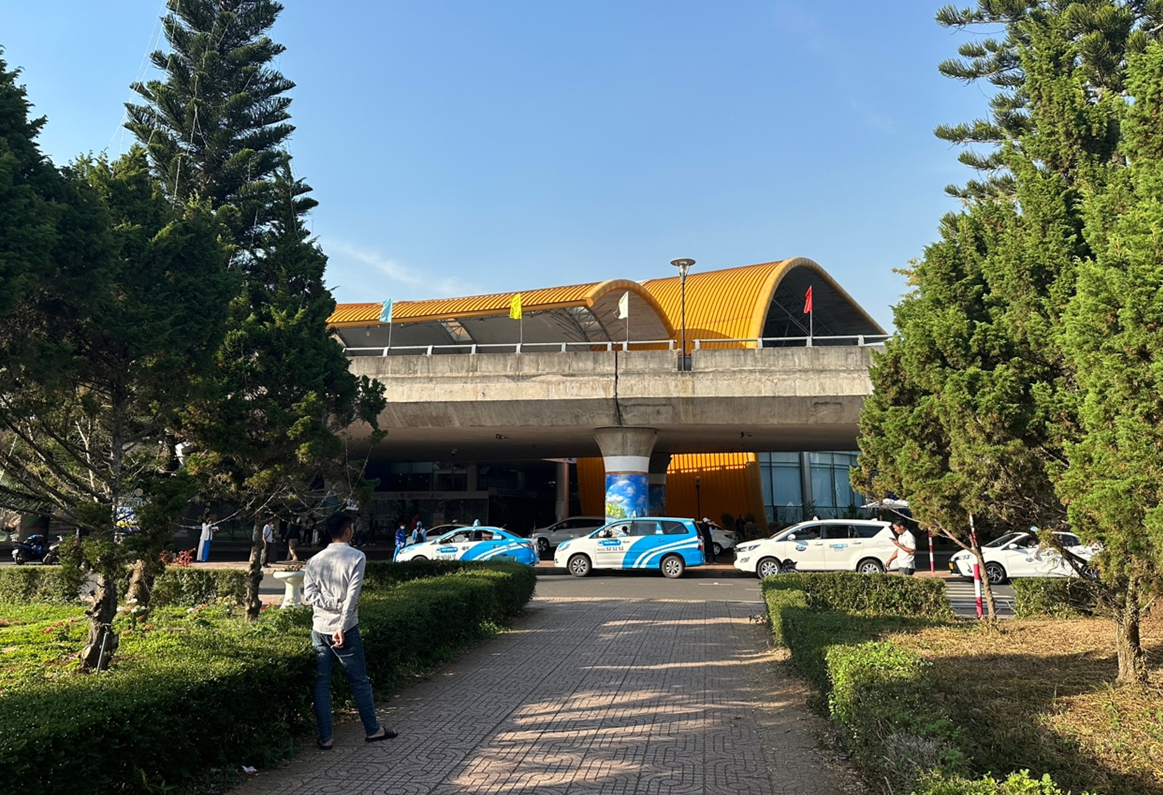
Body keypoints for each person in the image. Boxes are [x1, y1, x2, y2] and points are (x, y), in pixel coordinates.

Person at [302, 511, 396, 749]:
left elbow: (310, 596)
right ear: (348, 531)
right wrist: (342, 624)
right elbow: (352, 597)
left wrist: (330, 605)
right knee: (359, 681)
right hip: (346, 629)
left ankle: (326, 737)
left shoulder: (314, 560)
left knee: (321, 684)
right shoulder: (357, 557)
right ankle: (373, 729)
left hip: (319, 627)